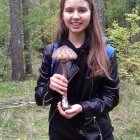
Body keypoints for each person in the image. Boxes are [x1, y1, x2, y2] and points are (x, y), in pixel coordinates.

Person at [35, 0, 120, 140]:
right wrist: (50, 87)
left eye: (82, 10)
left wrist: (83, 107)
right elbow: (39, 99)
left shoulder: (107, 53)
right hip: (60, 132)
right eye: (69, 10)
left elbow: (111, 97)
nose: (75, 16)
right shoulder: (51, 52)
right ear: (62, 14)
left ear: (91, 13)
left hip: (97, 132)